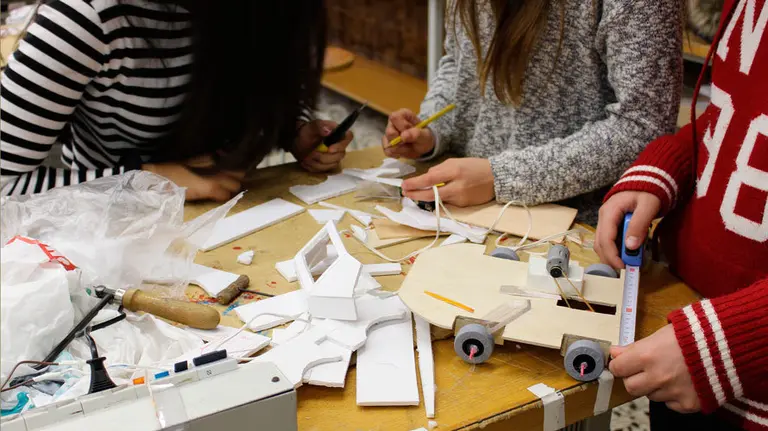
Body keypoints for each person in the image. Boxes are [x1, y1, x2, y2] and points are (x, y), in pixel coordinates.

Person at [594, 0, 767, 429]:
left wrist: (733, 339)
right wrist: (660, 170)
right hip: (686, 345)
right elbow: (734, 114)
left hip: (738, 362)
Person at [0, 0, 351, 201]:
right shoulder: (88, 16)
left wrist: (294, 129)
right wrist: (148, 180)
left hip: (239, 218)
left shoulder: (266, 11)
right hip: (114, 234)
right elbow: (4, 187)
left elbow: (257, 84)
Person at [383, 0, 683, 223]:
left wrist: (500, 178)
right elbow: (461, 64)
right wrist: (434, 129)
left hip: (573, 227)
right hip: (467, 211)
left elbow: (643, 126)